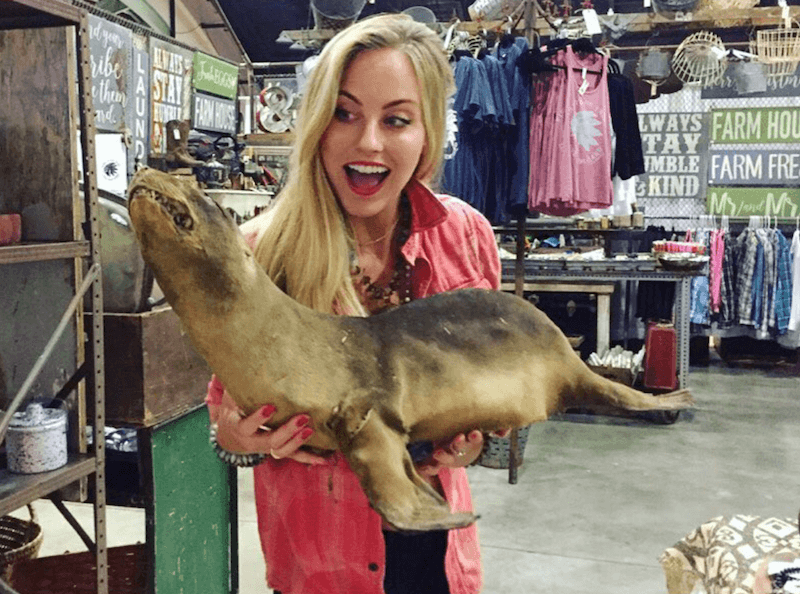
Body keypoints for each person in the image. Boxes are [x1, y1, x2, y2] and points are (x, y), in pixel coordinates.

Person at [205, 13, 502, 594]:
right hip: (321, 565)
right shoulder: (259, 257)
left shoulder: (465, 237)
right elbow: (224, 414)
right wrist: (238, 441)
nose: (369, 142)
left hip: (436, 554)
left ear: (426, 136)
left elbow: (487, 395)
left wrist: (475, 438)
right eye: (344, 113)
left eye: (397, 120)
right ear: (316, 122)